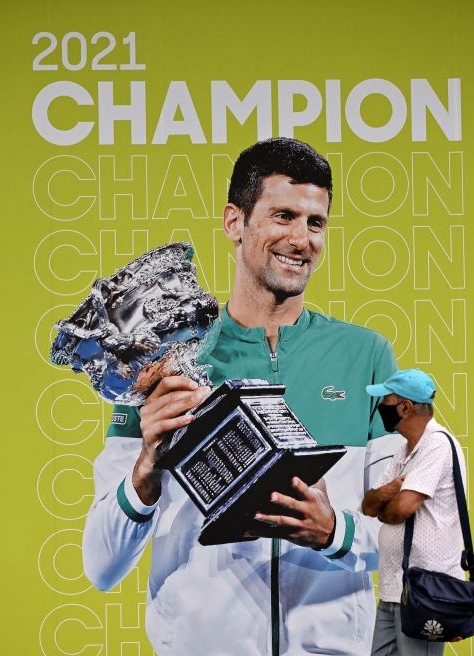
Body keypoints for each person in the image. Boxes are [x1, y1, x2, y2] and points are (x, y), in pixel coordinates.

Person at [82, 137, 399, 655]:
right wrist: (145, 470)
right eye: (282, 216)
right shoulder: (160, 363)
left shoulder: (366, 356)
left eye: (315, 222)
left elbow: (402, 539)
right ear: (235, 222)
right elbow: (100, 566)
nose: (302, 239)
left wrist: (334, 532)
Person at [361, 369, 467, 656]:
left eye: (385, 400)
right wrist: (384, 495)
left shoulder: (437, 446)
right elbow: (369, 505)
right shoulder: (404, 450)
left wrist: (386, 505)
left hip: (425, 592)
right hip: (395, 587)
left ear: (405, 408)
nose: (381, 407)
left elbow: (399, 512)